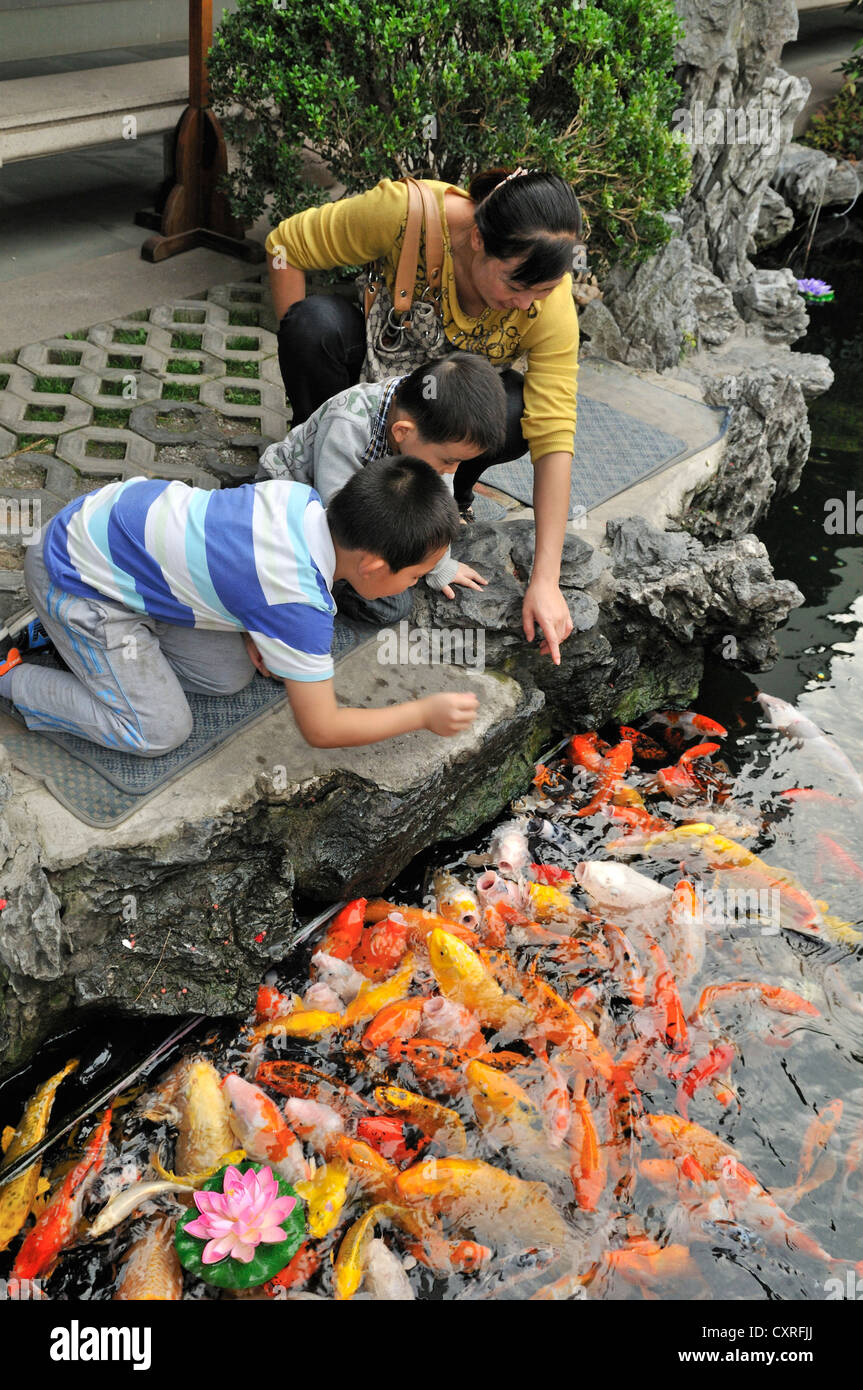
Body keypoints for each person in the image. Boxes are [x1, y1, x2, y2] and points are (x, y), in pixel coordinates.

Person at [266, 167, 582, 665]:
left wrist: (546, 579)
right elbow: (285, 244)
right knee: (313, 325)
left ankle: (436, 498)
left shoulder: (547, 302)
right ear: (478, 239)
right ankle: (318, 460)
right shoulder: (405, 214)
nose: (524, 304)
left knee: (519, 408)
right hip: (367, 395)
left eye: (539, 294)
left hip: (447, 415)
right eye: (516, 284)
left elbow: (553, 436)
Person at [0, 459, 478, 755]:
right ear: (373, 566)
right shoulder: (298, 605)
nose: (413, 586)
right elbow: (323, 727)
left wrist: (252, 627)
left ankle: (78, 647)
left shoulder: (302, 501)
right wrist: (422, 714)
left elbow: (232, 562)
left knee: (227, 675)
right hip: (74, 576)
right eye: (415, 576)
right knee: (157, 730)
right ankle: (12, 673)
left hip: (116, 539)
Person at [257, 352, 507, 616]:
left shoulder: (429, 418)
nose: (452, 471)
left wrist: (440, 566)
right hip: (295, 503)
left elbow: (436, 503)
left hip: (365, 513)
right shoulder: (348, 424)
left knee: (393, 587)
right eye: (448, 460)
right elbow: (339, 520)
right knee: (389, 603)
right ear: (402, 432)